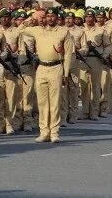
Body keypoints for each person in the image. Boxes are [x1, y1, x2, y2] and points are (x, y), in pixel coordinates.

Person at [20, 9, 73, 143]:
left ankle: (54, 132)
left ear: (57, 17)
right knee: (42, 103)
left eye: (52, 16)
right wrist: (32, 18)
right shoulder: (38, 30)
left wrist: (66, 73)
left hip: (56, 67)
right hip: (41, 68)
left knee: (55, 103)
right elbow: (20, 29)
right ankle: (44, 132)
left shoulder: (63, 32)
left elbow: (68, 55)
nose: (50, 19)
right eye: (47, 16)